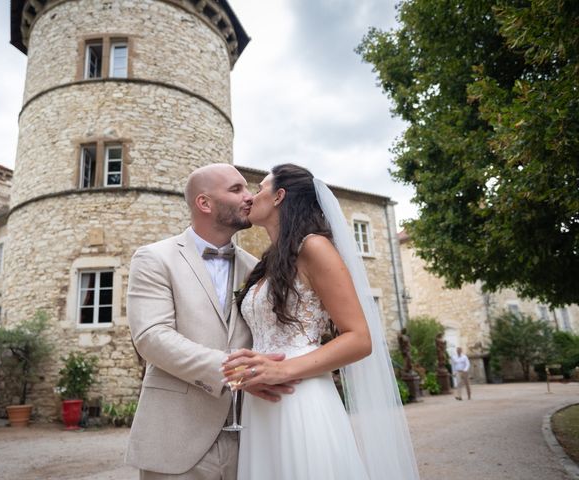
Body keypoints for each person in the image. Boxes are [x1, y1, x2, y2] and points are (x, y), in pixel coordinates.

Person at [222, 164, 420, 479]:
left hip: (300, 399)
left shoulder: (314, 247)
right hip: (260, 407)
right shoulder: (270, 262)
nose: (251, 196)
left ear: (279, 197)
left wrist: (281, 369)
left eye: (260, 188)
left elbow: (359, 338)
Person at [125, 164, 293, 480]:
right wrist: (236, 371)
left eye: (249, 189)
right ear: (205, 203)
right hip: (176, 437)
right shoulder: (154, 258)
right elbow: (151, 336)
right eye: (237, 189)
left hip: (251, 435)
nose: (250, 197)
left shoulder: (257, 268)